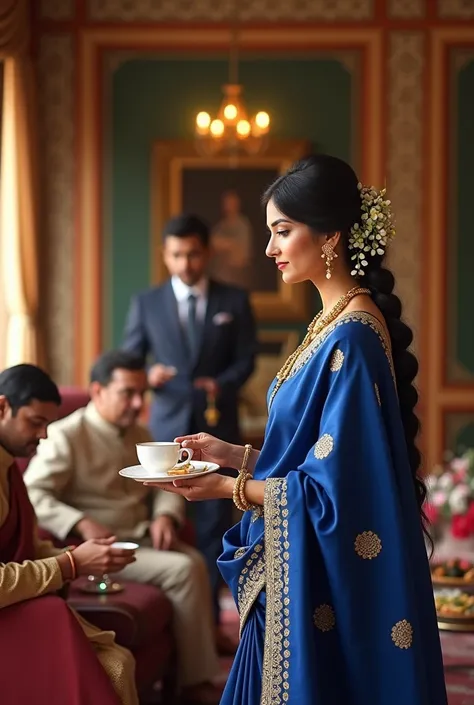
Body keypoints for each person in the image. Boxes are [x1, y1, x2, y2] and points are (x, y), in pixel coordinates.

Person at [144, 155, 448, 704]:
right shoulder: (330, 323)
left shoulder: (350, 335)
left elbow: (338, 492)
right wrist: (236, 455)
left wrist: (224, 488)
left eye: (282, 231)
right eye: (269, 232)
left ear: (331, 234)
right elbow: (316, 456)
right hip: (299, 561)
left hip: (321, 574)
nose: (268, 249)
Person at [24, 350, 222, 705]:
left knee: (199, 557)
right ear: (98, 391)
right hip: (107, 547)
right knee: (185, 567)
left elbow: (168, 482)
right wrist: (80, 522)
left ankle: (196, 660)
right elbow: (34, 492)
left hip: (144, 536)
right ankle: (196, 683)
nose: (136, 403)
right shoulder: (66, 435)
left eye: (141, 394)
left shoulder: (140, 433)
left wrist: (166, 516)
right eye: (126, 393)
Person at [122, 213, 256, 626]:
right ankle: (184, 622)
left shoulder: (234, 300)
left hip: (218, 428)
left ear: (207, 252)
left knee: (218, 519)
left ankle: (214, 621)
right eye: (177, 255)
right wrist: (149, 376)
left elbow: (247, 359)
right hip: (166, 430)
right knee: (172, 518)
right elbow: (130, 360)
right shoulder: (146, 302)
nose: (186, 263)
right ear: (165, 255)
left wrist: (222, 383)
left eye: (193, 254)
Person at [0, 364, 138, 705]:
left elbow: (26, 549)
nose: (44, 435)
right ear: (2, 408)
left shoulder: (9, 465)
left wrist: (88, 558)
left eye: (48, 424)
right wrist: (69, 564)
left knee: (119, 662)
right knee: (114, 667)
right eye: (36, 422)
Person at [210, 190, 253, 289]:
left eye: (231, 203)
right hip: (220, 274)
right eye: (226, 203)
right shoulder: (221, 226)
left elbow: (241, 255)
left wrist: (227, 244)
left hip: (237, 275)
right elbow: (212, 243)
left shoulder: (242, 225)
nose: (228, 206)